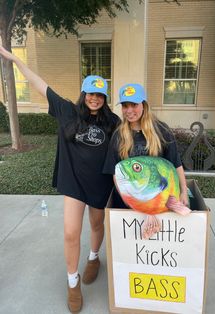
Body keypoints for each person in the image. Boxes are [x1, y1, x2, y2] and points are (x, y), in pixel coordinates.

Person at [0, 46, 120, 313]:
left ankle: (93, 259)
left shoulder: (113, 121)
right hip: (74, 184)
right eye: (90, 93)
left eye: (100, 94)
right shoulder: (67, 111)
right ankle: (72, 281)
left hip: (101, 183)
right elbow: (40, 84)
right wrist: (16, 59)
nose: (94, 98)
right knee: (70, 233)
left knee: (97, 224)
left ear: (105, 97)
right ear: (84, 93)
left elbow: (128, 146)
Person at [103, 83, 188, 209]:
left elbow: (176, 164)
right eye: (125, 106)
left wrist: (184, 192)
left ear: (144, 105)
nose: (129, 110)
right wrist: (127, 200)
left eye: (134, 105)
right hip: (128, 204)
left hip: (159, 202)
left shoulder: (161, 130)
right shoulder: (118, 135)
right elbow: (115, 172)